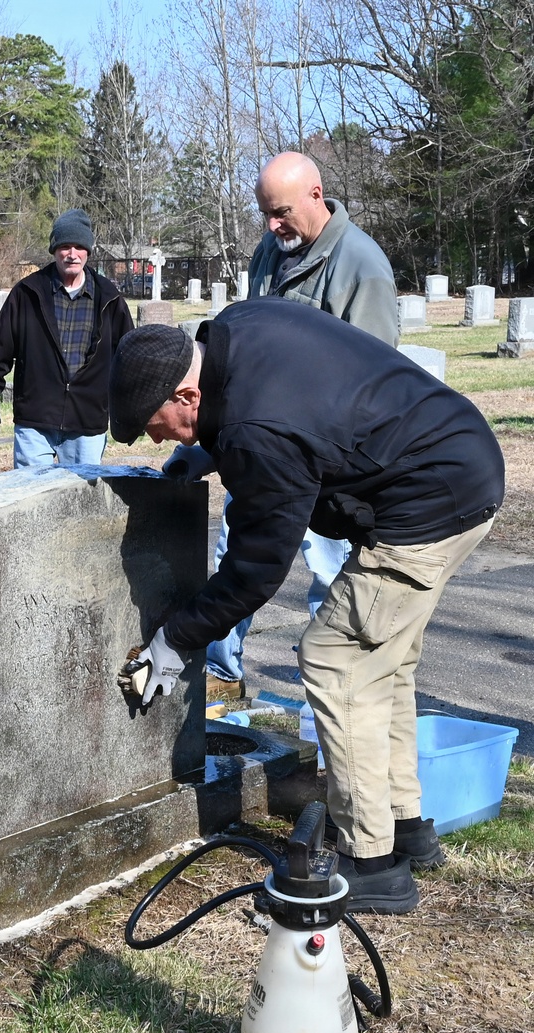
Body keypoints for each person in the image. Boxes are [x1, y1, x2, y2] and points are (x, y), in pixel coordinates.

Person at [110, 306, 504, 915]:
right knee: (382, 662)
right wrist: (209, 449)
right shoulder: (235, 332)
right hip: (458, 460)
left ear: (187, 392)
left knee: (335, 659)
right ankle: (404, 827)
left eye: (155, 424)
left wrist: (173, 639)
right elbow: (288, 409)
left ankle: (372, 864)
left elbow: (255, 570)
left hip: (428, 503)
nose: (156, 439)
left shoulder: (256, 432)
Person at [203, 152, 399, 700]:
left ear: (317, 196)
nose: (271, 226)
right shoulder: (273, 248)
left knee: (329, 572)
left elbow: (374, 381)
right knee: (233, 554)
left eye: (281, 212)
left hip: (324, 462)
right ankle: (222, 675)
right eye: (266, 213)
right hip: (263, 446)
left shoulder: (362, 266)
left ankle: (324, 692)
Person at [0, 209, 133, 467]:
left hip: (87, 422)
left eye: (79, 246)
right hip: (35, 420)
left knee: (81, 502)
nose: (72, 254)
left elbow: (129, 361)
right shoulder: (28, 293)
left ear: (88, 251)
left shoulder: (109, 298)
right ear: (54, 249)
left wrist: (134, 414)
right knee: (29, 500)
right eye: (65, 246)